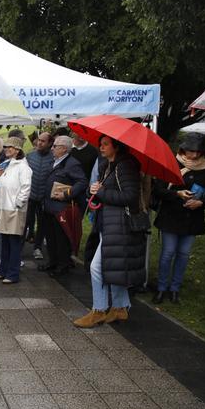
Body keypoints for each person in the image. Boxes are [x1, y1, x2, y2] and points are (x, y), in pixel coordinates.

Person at [73, 135, 145, 328]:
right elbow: (101, 192)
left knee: (98, 267)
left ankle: (99, 310)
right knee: (114, 266)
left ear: (117, 146)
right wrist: (93, 191)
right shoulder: (109, 165)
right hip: (109, 224)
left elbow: (130, 196)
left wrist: (101, 192)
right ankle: (120, 307)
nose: (101, 147)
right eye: (101, 144)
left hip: (120, 226)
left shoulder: (126, 166)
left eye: (105, 144)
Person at [152, 132, 205, 304]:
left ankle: (175, 289)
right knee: (168, 253)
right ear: (183, 149)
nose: (193, 155)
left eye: (197, 152)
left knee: (184, 254)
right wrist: (177, 194)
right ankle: (161, 288)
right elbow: (158, 189)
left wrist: (201, 203)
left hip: (191, 219)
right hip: (171, 216)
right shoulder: (172, 162)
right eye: (190, 151)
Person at [39, 135, 87, 277]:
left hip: (61, 208)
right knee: (51, 236)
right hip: (49, 206)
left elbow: (82, 182)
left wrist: (67, 193)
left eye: (55, 146)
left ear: (64, 149)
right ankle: (53, 261)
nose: (52, 148)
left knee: (61, 238)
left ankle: (62, 265)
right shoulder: (55, 161)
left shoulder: (72, 163)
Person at [0, 137, 32, 283]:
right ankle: (3, 270)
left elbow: (26, 187)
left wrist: (18, 204)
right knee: (5, 241)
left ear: (18, 150)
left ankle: (13, 273)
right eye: (6, 146)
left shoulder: (23, 167)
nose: (6, 149)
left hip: (14, 209)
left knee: (14, 242)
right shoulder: (6, 164)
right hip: (3, 207)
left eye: (10, 147)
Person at [24, 132, 54, 260]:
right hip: (29, 196)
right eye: (38, 140)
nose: (39, 143)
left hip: (44, 197)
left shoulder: (53, 158)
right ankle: (19, 248)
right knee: (25, 222)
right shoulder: (30, 156)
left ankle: (37, 247)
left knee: (42, 224)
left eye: (43, 141)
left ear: (50, 143)